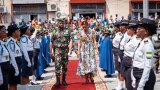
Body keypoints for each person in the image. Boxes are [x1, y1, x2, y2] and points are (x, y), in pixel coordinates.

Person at [131, 18, 156, 90]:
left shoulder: (148, 45)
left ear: (146, 31)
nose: (137, 30)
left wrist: (142, 83)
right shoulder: (142, 42)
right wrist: (134, 78)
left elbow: (148, 66)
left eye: (140, 28)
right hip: (138, 75)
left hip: (145, 77)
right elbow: (135, 61)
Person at [50, 18, 72, 87]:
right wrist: (51, 51)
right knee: (57, 65)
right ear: (58, 23)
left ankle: (64, 80)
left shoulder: (67, 31)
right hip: (57, 50)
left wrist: (70, 48)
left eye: (62, 23)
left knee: (64, 66)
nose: (61, 24)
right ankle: (57, 81)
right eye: (60, 23)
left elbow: (70, 40)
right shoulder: (54, 31)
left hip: (65, 50)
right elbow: (51, 41)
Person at [120, 20, 141, 90]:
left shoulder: (137, 40)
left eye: (128, 28)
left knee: (130, 83)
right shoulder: (131, 38)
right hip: (125, 60)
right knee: (127, 81)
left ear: (132, 29)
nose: (127, 30)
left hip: (130, 62)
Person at [6, 24, 22, 90]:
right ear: (13, 33)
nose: (19, 32)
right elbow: (12, 57)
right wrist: (16, 69)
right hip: (13, 66)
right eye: (17, 31)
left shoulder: (15, 41)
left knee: (15, 84)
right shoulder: (10, 42)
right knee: (12, 85)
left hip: (17, 65)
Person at [0, 25, 10, 90]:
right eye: (3, 31)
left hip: (5, 69)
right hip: (1, 70)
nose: (5, 33)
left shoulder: (3, 43)